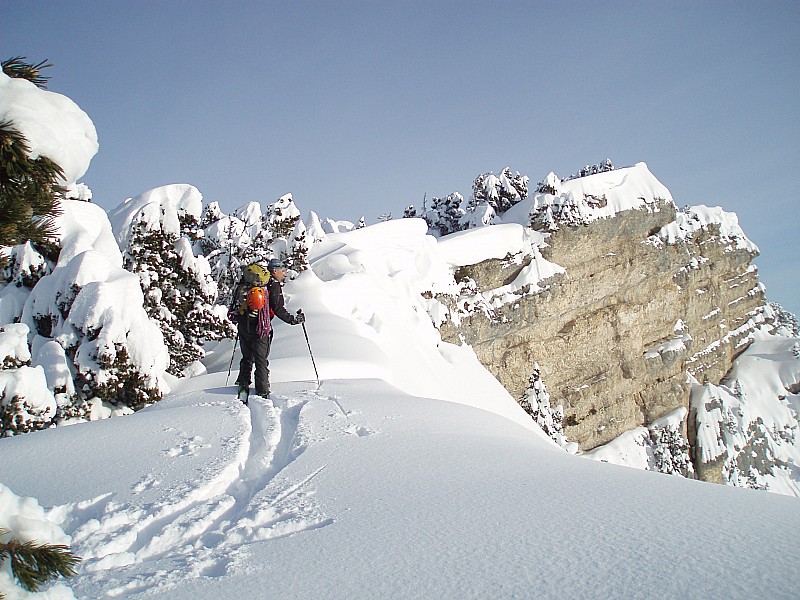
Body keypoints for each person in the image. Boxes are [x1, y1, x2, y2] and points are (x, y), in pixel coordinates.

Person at [231, 258, 304, 399]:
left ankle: (243, 384)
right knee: (261, 359)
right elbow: (278, 308)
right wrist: (293, 320)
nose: (284, 273)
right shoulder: (273, 285)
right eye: (282, 271)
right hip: (261, 327)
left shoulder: (251, 282)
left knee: (247, 356)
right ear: (274, 271)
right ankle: (262, 391)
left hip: (244, 324)